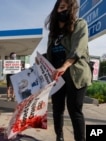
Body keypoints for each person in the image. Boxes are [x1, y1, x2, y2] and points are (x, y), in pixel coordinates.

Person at [44, 0, 92, 141]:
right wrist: (42, 58)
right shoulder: (53, 33)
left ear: (71, 10)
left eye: (65, 8)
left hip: (75, 73)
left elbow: (77, 49)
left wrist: (64, 66)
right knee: (57, 110)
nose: (62, 11)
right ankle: (59, 137)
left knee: (74, 111)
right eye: (60, 7)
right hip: (57, 76)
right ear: (55, 11)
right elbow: (53, 52)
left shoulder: (79, 24)